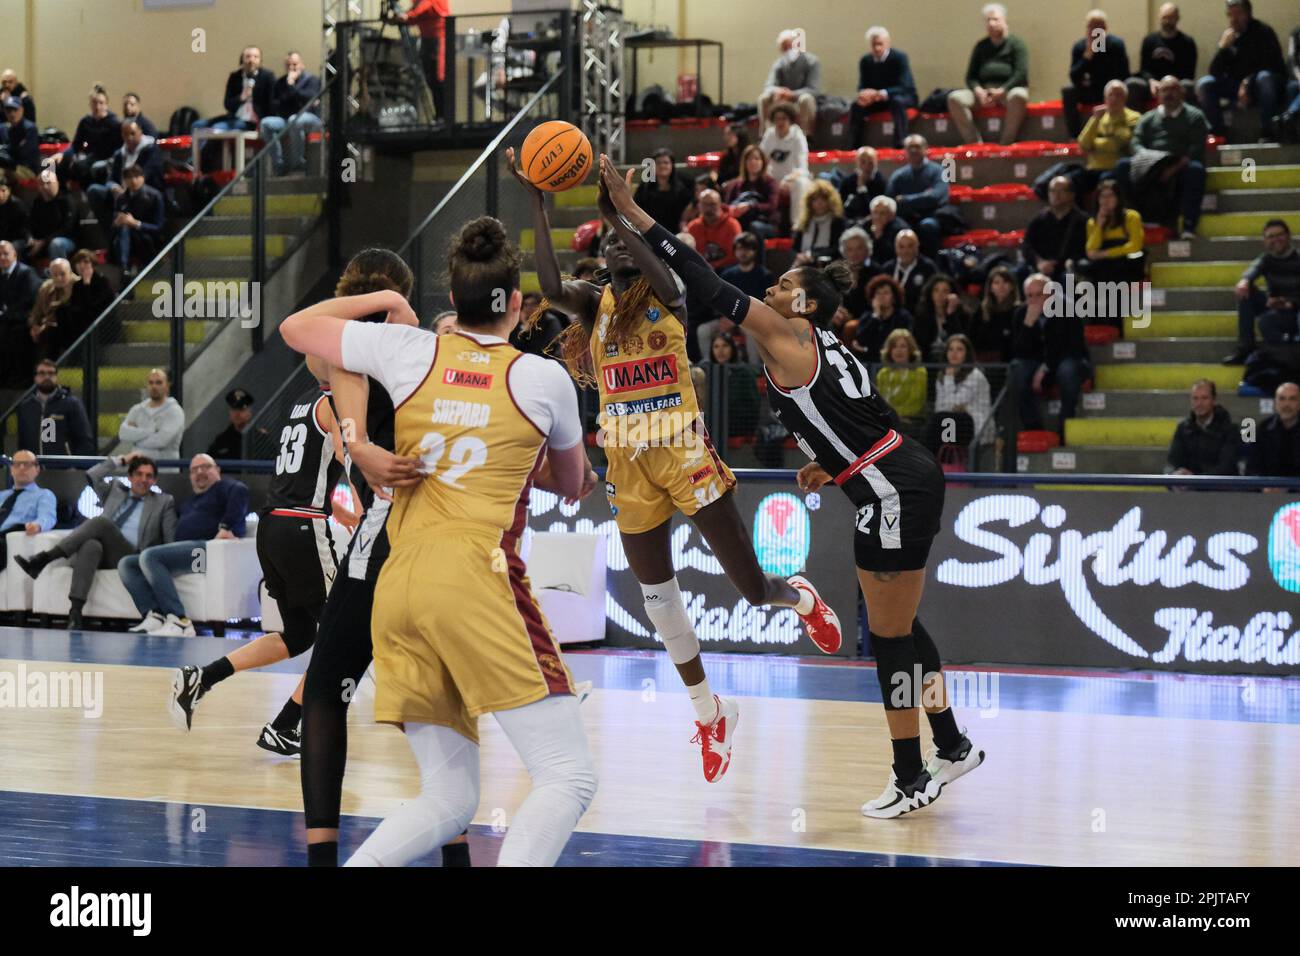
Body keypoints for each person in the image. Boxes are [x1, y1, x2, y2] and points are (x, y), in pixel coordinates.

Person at [599, 154, 983, 819]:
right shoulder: (825, 340)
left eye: (780, 286)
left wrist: (633, 214)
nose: (770, 290)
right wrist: (835, 465)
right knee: (902, 626)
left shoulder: (784, 331)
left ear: (802, 303)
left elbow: (705, 282)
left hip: (890, 490)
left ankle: (912, 773)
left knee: (888, 637)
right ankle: (950, 744)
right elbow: (872, 418)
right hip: (897, 472)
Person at [514, 146, 841, 784]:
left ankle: (795, 595)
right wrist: (538, 200)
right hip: (627, 462)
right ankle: (709, 712)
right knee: (659, 600)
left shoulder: (669, 295)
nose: (609, 254)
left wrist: (621, 219)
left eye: (620, 246)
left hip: (684, 450)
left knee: (751, 587)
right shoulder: (593, 305)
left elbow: (664, 273)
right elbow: (550, 288)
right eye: (604, 249)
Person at [281, 216, 599, 869]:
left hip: (398, 583)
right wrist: (563, 468)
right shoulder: (543, 380)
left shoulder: (409, 351)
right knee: (569, 776)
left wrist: (386, 304)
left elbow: (296, 329)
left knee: (450, 796)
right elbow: (568, 484)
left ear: (451, 302)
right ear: (517, 304)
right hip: (474, 575)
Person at [277, 249, 475, 867]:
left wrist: (358, 447)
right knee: (443, 699)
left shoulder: (353, 354)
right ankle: (457, 857)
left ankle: (321, 858)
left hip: (389, 531)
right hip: (451, 538)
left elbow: (302, 326)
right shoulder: (429, 351)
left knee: (325, 692)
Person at [170, 362, 352, 756]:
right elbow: (346, 455)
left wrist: (348, 515)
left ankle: (203, 677)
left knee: (300, 635)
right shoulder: (339, 404)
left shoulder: (303, 403)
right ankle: (286, 724)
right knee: (346, 633)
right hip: (303, 528)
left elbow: (306, 475)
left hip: (274, 525)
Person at [16, 453, 177, 631]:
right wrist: (121, 460)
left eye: (149, 476)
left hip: (130, 557)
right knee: (91, 545)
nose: (143, 479)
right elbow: (92, 475)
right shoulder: (115, 490)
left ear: (154, 481)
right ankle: (75, 613)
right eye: (139, 474)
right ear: (130, 477)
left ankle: (44, 559)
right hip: (102, 553)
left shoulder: (163, 502)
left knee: (102, 522)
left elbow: (170, 539)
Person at [115, 454, 249, 636]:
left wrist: (225, 527)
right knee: (127, 563)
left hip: (207, 554)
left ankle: (180, 620)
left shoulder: (227, 487)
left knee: (150, 556)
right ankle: (154, 615)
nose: (200, 472)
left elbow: (241, 493)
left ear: (217, 470)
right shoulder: (189, 502)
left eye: (206, 467)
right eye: (194, 470)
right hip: (186, 553)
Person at [1119, 75, 1208, 240]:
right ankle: (1132, 221)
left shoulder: (1195, 116)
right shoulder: (1147, 118)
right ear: (1158, 94)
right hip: (1150, 163)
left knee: (1196, 170)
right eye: (1165, 90)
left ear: (1182, 93)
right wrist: (1147, 160)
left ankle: (1188, 226)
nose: (1169, 94)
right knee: (1123, 166)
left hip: (1179, 164)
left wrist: (1172, 168)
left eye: (1173, 89)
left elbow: (1196, 148)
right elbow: (1135, 143)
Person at [1011, 273, 1091, 434]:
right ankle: (1034, 428)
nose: (1034, 300)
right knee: (1017, 369)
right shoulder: (1021, 314)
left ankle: (1065, 427)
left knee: (1067, 370)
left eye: (1039, 294)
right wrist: (1028, 325)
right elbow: (1019, 352)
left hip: (1067, 360)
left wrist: (1046, 367)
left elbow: (1074, 348)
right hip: (1037, 363)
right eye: (1029, 296)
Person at [1196, 0, 1286, 141]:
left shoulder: (1263, 31)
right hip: (1237, 87)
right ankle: (1218, 132)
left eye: (1238, 13)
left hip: (1261, 84)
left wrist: (1247, 82)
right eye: (1230, 14)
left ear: (1248, 14)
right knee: (1205, 83)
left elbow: (1271, 64)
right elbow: (1214, 72)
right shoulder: (1228, 37)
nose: (1234, 18)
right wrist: (1222, 48)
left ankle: (1268, 131)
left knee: (1265, 78)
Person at [948, 4, 1030, 145]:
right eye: (988, 20)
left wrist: (1002, 90)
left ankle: (1006, 142)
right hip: (984, 92)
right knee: (954, 98)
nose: (991, 23)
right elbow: (970, 76)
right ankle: (974, 142)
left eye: (995, 19)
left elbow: (1021, 73)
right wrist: (978, 91)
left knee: (1019, 96)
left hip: (1007, 91)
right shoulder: (981, 46)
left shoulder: (1017, 44)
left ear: (1004, 21)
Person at [1225, 218, 1299, 364]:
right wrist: (1244, 281)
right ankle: (1246, 347)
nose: (1276, 240)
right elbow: (1253, 270)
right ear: (1264, 241)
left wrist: (1289, 303)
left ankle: (1288, 355)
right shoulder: (1266, 259)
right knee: (1246, 291)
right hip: (1276, 307)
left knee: (1266, 321)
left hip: (1296, 310)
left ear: (1288, 236)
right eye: (1270, 237)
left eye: (1279, 235)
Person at [1061, 9, 1143, 139]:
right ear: (1086, 28)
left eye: (1098, 26)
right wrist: (1088, 56)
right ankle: (1074, 136)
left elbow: (1124, 74)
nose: (1095, 30)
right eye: (1091, 26)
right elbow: (1074, 76)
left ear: (1105, 28)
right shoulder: (1079, 47)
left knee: (1130, 85)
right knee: (1068, 90)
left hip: (1111, 92)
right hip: (1090, 91)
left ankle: (1131, 132)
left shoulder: (1116, 45)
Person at [697, 232, 773, 360]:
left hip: (751, 320)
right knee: (703, 330)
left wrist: (738, 320)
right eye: (739, 249)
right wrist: (725, 318)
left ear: (754, 251)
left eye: (747, 249)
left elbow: (764, 305)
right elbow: (720, 300)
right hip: (728, 317)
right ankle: (708, 367)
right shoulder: (727, 274)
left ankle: (754, 371)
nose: (742, 253)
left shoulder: (765, 275)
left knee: (752, 335)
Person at [85, 122, 164, 231]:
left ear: (140, 133)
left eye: (132, 133)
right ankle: (110, 232)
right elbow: (111, 179)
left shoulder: (151, 150)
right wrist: (114, 187)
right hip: (121, 195)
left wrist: (128, 191)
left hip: (142, 194)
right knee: (94, 191)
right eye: (125, 134)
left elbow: (144, 176)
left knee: (126, 206)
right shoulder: (119, 154)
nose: (129, 138)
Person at [925, 333, 991, 459]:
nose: (954, 353)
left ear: (967, 353)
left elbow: (952, 403)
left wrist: (949, 379)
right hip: (950, 423)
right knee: (939, 421)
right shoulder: (942, 376)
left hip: (975, 425)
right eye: (950, 349)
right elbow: (940, 407)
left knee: (943, 421)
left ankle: (932, 464)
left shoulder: (975, 375)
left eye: (959, 349)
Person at [851, 26, 917, 149]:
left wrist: (880, 93)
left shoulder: (899, 58)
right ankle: (855, 145)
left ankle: (900, 144)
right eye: (874, 44)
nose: (877, 48)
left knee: (897, 102)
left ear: (888, 43)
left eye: (880, 44)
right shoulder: (865, 61)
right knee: (857, 105)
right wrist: (864, 94)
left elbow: (905, 86)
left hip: (900, 96)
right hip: (876, 100)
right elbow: (862, 85)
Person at [1079, 178, 1145, 298]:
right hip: (1105, 267)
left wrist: (1106, 253)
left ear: (1118, 198)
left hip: (1126, 263)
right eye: (1102, 197)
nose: (1106, 200)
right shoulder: (1092, 222)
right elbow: (1091, 250)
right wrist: (1099, 225)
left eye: (1110, 196)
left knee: (1112, 273)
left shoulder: (1131, 217)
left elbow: (1135, 245)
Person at [261, 51, 324, 176]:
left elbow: (309, 98)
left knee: (295, 119)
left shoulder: (311, 80)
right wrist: (294, 95)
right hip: (287, 119)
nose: (291, 68)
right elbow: (276, 105)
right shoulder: (280, 83)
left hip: (311, 119)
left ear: (302, 65)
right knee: (266, 123)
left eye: (294, 64)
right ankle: (278, 165)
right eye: (288, 65)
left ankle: (297, 164)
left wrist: (291, 87)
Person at [15, 359, 95, 456]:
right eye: (42, 373)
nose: (47, 376)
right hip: (34, 468)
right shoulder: (25, 406)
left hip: (64, 468)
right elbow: (22, 442)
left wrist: (75, 467)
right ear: (35, 377)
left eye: (51, 373)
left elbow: (84, 440)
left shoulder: (72, 403)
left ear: (56, 377)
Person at [886, 134, 948, 258]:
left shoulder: (938, 171)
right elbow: (891, 202)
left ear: (925, 149)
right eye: (910, 147)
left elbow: (935, 197)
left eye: (917, 147)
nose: (913, 150)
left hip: (931, 216)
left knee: (928, 226)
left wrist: (905, 199)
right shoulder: (899, 175)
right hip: (905, 219)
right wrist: (923, 197)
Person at [44, 86, 120, 185]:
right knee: (55, 164)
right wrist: (63, 155)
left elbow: (118, 149)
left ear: (106, 105)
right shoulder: (86, 121)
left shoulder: (114, 123)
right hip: (88, 157)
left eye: (101, 103)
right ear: (90, 104)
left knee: (83, 167)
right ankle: (60, 195)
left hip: (105, 159)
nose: (97, 106)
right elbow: (76, 144)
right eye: (94, 103)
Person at [1077, 79, 1140, 195]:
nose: (1114, 98)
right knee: (1072, 180)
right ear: (1105, 98)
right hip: (1094, 168)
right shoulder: (1098, 118)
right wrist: (1095, 120)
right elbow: (1083, 144)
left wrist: (1095, 145)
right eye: (1110, 95)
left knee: (1104, 182)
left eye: (1118, 95)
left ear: (1125, 98)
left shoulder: (1133, 118)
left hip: (1115, 169)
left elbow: (1120, 143)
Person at [194, 47, 275, 136]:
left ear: (260, 60)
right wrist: (241, 98)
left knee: (218, 128)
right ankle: (197, 150)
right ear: (242, 60)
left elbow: (271, 105)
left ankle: (208, 150)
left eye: (255, 57)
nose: (251, 60)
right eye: (248, 57)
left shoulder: (267, 77)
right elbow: (227, 104)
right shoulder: (235, 77)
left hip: (252, 121)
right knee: (198, 125)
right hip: (234, 117)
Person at [1166, 379, 1240, 476]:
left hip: (1219, 489)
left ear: (1213, 400)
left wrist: (1195, 479)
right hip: (1187, 488)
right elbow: (1172, 462)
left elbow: (1226, 468)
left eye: (1204, 398)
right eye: (1195, 398)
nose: (1199, 403)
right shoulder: (1183, 429)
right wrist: (1175, 474)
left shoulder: (1230, 430)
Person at [1021, 175, 1088, 282]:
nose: (1056, 195)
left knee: (1068, 278)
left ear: (1071, 195)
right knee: (1020, 272)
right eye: (1052, 191)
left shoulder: (1082, 221)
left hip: (1067, 268)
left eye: (1061, 191)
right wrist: (1039, 262)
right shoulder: (1040, 219)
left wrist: (1060, 264)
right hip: (1041, 266)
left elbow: (1084, 251)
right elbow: (1027, 245)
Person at [758, 29, 822, 136]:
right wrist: (779, 92)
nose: (787, 49)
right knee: (764, 98)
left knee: (806, 99)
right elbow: (769, 85)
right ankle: (766, 136)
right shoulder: (779, 63)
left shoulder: (812, 61)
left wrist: (792, 94)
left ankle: (806, 137)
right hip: (781, 99)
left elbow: (814, 89)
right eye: (784, 47)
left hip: (799, 100)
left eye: (789, 45)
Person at [395, 0, 450, 119]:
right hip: (427, 40)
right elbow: (415, 14)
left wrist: (406, 16)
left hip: (438, 39)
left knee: (439, 78)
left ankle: (444, 116)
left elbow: (422, 8)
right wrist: (403, 17)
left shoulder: (428, 3)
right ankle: (440, 115)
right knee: (431, 79)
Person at [0, 450, 57, 567]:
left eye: (27, 464)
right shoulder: (2, 495)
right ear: (11, 469)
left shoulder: (44, 495)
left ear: (37, 469)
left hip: (8, 538)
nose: (21, 468)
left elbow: (47, 516)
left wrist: (37, 525)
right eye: (17, 464)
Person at [1137, 4, 1197, 111]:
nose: (1167, 21)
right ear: (1159, 18)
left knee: (1188, 85)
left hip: (1177, 84)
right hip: (1153, 84)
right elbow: (1144, 69)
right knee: (1132, 84)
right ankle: (1136, 124)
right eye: (1165, 17)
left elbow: (1189, 72)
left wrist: (1170, 84)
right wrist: (1151, 81)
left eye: (1171, 17)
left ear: (1177, 18)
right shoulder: (1149, 40)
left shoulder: (1187, 42)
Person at [759, 102, 810, 227]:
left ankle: (797, 225)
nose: (780, 122)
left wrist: (787, 180)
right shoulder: (769, 134)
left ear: (790, 120)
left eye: (784, 119)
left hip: (793, 179)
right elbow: (761, 158)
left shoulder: (798, 137)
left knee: (800, 184)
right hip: (773, 178)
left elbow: (802, 168)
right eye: (777, 119)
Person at [56, 249, 115, 356]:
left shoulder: (102, 282)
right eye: (78, 263)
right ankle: (67, 352)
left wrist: (87, 284)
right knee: (61, 312)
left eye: (86, 262)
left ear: (92, 264)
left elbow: (92, 307)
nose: (82, 266)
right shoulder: (77, 285)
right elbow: (76, 305)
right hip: (82, 320)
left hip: (101, 323)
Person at [110, 164, 165, 276]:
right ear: (125, 180)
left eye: (137, 176)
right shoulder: (121, 198)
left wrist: (136, 223)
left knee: (124, 234)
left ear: (143, 177)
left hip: (147, 237)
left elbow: (159, 227)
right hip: (126, 237)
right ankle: (124, 269)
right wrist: (116, 223)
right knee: (122, 231)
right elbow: (114, 223)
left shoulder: (155, 196)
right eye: (129, 177)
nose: (134, 181)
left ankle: (124, 268)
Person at [119, 368, 184, 460]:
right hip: (138, 468)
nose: (154, 386)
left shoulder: (175, 411)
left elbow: (161, 441)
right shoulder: (137, 410)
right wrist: (151, 431)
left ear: (167, 384)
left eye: (158, 383)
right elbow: (123, 435)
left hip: (165, 469)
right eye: (151, 383)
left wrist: (135, 438)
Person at [1, 239, 42, 384]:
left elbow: (29, 300)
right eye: (0, 255)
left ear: (14, 255)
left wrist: (5, 314)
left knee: (14, 333)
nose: (2, 258)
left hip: (25, 318)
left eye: (5, 254)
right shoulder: (2, 275)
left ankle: (20, 378)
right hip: (7, 318)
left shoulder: (26, 273)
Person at [706, 332, 762, 438]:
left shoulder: (744, 372)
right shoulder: (709, 371)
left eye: (725, 346)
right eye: (716, 346)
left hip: (737, 424)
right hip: (714, 422)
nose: (720, 351)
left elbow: (753, 406)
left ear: (732, 349)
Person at [719, 145, 779, 241]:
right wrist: (734, 209)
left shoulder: (770, 183)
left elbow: (772, 206)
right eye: (749, 159)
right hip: (742, 219)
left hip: (765, 222)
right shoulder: (736, 184)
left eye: (757, 159)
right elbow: (728, 205)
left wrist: (750, 206)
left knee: (754, 227)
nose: (753, 162)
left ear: (763, 162)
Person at [876, 329, 928, 438]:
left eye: (903, 346)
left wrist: (897, 417)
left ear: (911, 350)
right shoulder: (883, 373)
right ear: (889, 350)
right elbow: (881, 403)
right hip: (889, 424)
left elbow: (917, 401)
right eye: (894, 346)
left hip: (912, 422)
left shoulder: (919, 372)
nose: (898, 350)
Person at [1245, 381, 1300, 480]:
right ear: (1275, 403)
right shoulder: (1261, 430)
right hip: (1268, 492)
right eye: (1282, 399)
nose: (1286, 404)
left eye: (1292, 399)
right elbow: (1251, 469)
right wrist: (1263, 487)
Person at [850, 274, 911, 363]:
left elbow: (893, 346)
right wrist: (876, 316)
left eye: (886, 293)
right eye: (878, 293)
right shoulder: (867, 317)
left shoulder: (903, 317)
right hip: (868, 364)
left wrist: (867, 350)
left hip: (892, 364)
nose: (881, 296)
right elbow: (859, 342)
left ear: (893, 297)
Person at [632, 148, 695, 232]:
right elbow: (637, 207)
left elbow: (691, 206)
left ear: (672, 165)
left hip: (677, 231)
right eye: (658, 163)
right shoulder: (644, 187)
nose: (662, 166)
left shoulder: (684, 185)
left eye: (666, 163)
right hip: (651, 230)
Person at [913, 274, 972, 363]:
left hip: (955, 361)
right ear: (931, 293)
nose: (940, 295)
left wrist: (951, 314)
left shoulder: (962, 315)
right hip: (928, 362)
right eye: (936, 290)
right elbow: (921, 343)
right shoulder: (922, 315)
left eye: (945, 291)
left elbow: (961, 341)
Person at [25, 169, 77, 265]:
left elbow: (67, 228)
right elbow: (30, 223)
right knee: (19, 245)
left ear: (56, 183)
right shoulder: (38, 202)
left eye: (48, 183)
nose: (44, 187)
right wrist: (30, 238)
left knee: (56, 244)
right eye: (41, 183)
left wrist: (44, 242)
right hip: (41, 241)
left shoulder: (66, 200)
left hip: (66, 239)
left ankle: (61, 273)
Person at [27, 257, 75, 361]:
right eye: (55, 275)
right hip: (47, 327)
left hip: (71, 328)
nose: (58, 278)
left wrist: (45, 326)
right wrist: (34, 326)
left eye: (62, 274)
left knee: (50, 332)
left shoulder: (78, 285)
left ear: (70, 272)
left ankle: (47, 367)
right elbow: (36, 312)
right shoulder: (46, 287)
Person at [791, 179, 845, 266]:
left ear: (830, 201)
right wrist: (800, 256)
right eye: (815, 200)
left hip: (827, 264)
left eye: (823, 199)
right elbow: (795, 248)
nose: (819, 203)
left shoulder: (837, 222)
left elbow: (838, 248)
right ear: (809, 202)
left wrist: (814, 255)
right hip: (803, 263)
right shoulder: (804, 222)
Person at [972, 264, 1019, 363]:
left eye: (1005, 282)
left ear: (1012, 286)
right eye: (996, 283)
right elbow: (973, 338)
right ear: (991, 287)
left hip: (1009, 361)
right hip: (984, 360)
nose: (1001, 286)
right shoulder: (981, 310)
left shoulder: (1018, 310)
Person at [685, 189, 742, 270]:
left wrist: (713, 266)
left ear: (720, 205)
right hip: (701, 270)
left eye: (712, 204)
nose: (708, 209)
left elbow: (735, 256)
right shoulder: (693, 226)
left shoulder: (732, 225)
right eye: (704, 204)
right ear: (699, 206)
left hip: (724, 271)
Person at [835, 146, 887, 224]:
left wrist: (862, 189)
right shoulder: (848, 182)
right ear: (857, 162)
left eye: (870, 163)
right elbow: (840, 207)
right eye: (863, 162)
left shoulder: (881, 183)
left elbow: (873, 211)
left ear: (876, 163)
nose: (866, 167)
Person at [837, 226, 877, 320]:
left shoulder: (876, 272)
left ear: (867, 250)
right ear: (844, 252)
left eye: (859, 248)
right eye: (850, 249)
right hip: (841, 320)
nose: (854, 253)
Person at [206, 388, 256, 460]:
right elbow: (208, 462)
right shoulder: (221, 440)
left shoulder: (259, 439)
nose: (236, 414)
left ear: (249, 413)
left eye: (241, 410)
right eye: (233, 409)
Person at [868, 199, 913, 273]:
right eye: (875, 212)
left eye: (882, 213)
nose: (877, 216)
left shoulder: (900, 230)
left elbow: (892, 255)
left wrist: (879, 236)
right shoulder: (867, 225)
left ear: (892, 214)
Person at [2, 96, 39, 178]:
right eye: (9, 111)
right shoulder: (6, 128)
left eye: (15, 110)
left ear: (22, 110)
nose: (12, 114)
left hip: (27, 169)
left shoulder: (30, 128)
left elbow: (24, 155)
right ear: (5, 112)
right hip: (10, 166)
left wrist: (7, 152)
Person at [716, 121, 749, 186]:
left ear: (739, 135)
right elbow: (721, 177)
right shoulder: (727, 155)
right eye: (725, 134)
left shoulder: (748, 153)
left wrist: (731, 183)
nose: (726, 138)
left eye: (729, 134)